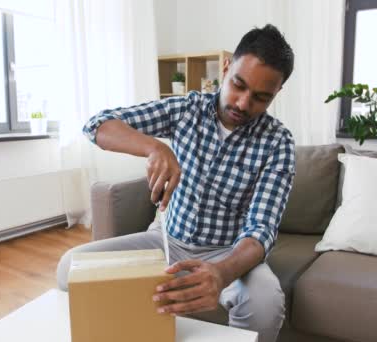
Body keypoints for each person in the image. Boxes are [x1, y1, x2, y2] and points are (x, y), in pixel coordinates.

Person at [57, 23, 295, 342]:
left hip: (228, 250)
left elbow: (261, 229)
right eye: (238, 85)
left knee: (266, 303)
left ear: (276, 93)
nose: (242, 103)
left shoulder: (278, 142)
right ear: (226, 67)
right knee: (69, 267)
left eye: (260, 97)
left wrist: (221, 273)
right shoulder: (186, 109)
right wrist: (154, 147)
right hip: (166, 242)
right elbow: (97, 125)